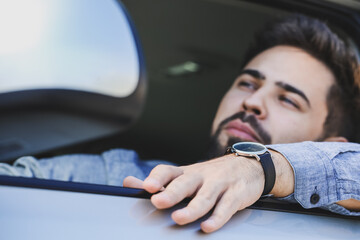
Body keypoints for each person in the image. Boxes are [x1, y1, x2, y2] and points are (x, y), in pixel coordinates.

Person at [1, 14, 360, 233]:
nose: (253, 101)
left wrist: (263, 167)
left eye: (287, 99)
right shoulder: (120, 171)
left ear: (333, 145)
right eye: (248, 83)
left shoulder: (342, 214)